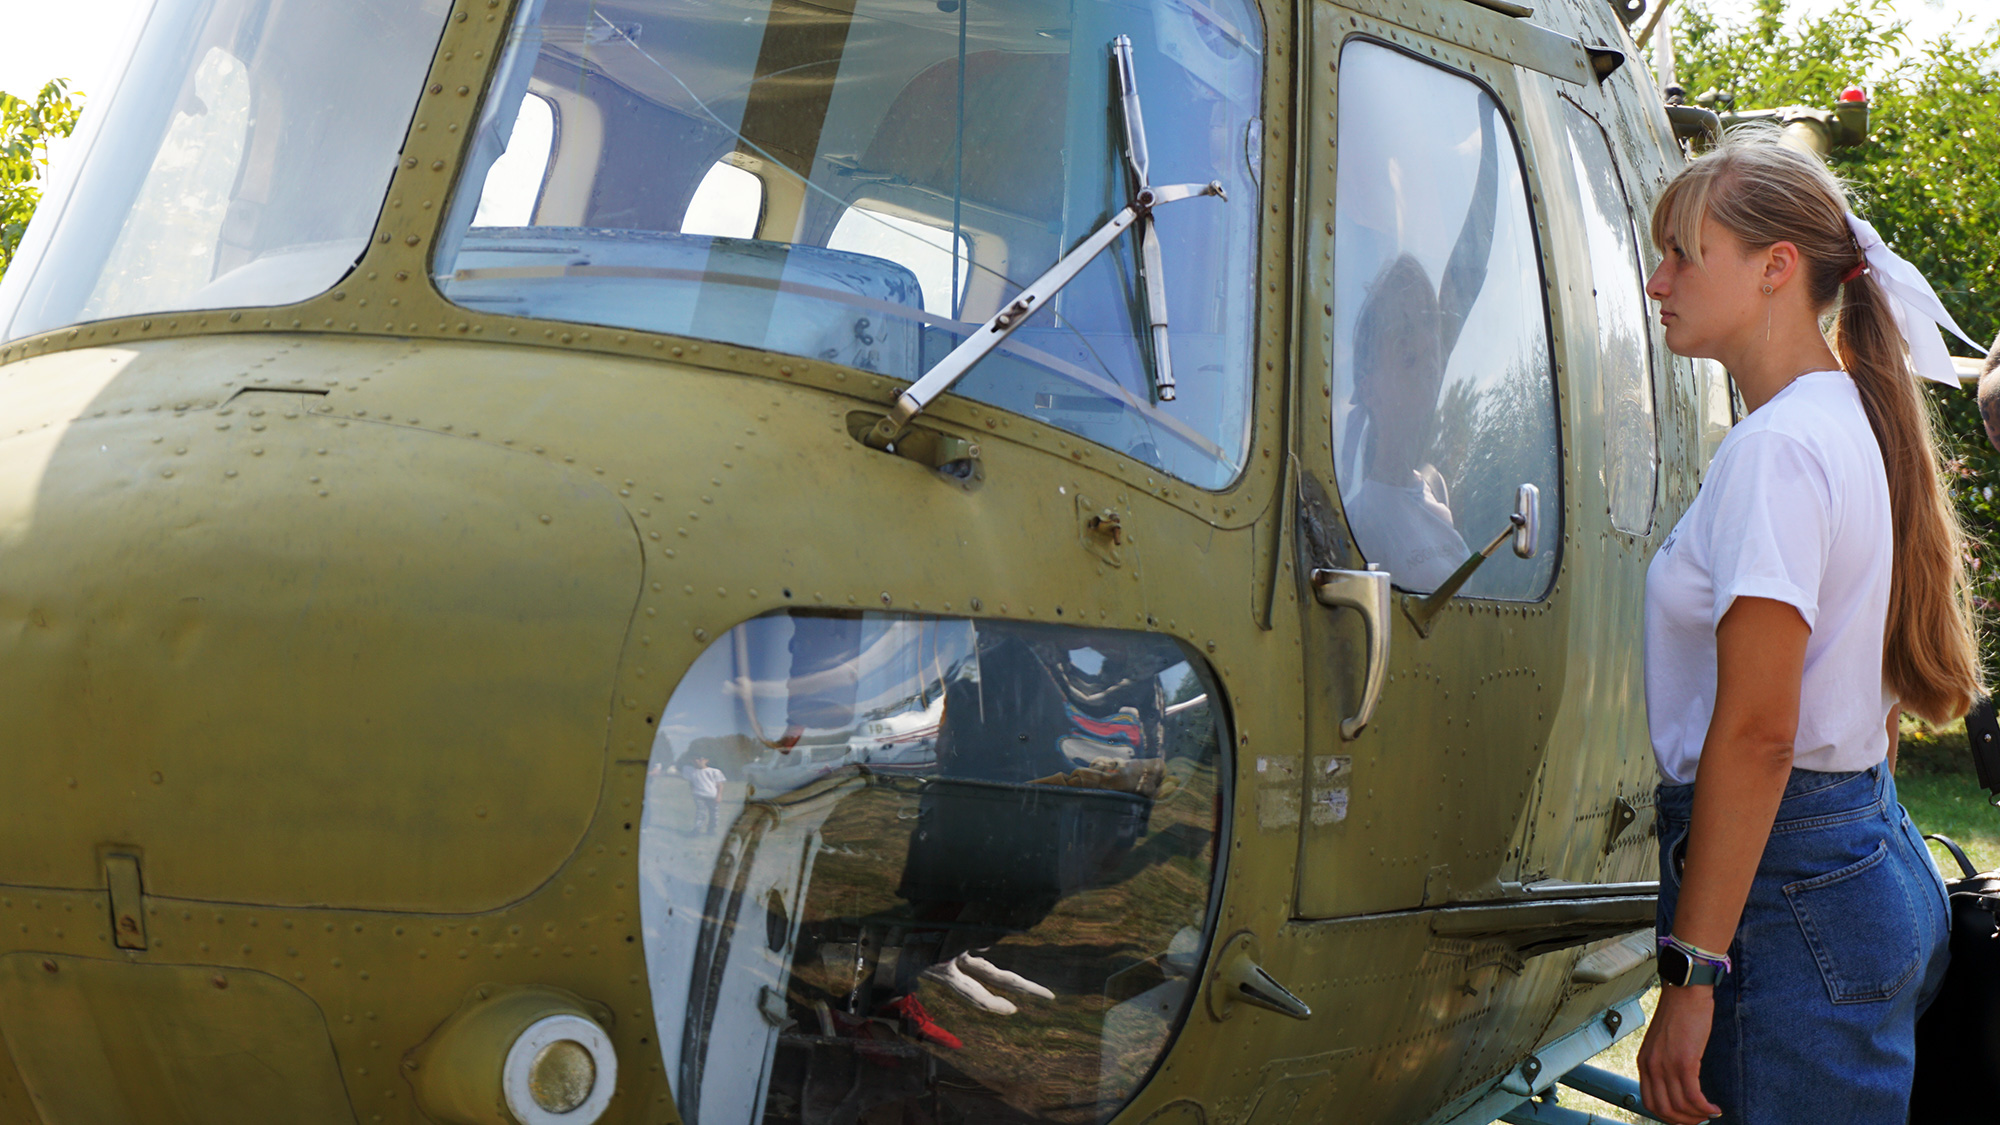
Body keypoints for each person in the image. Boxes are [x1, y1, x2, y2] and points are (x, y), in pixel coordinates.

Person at [1635, 128, 1984, 1124]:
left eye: (1683, 254)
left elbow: (1759, 732)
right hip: (1858, 853)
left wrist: (1692, 972)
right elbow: (1868, 706)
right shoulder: (1842, 422)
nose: (1657, 281)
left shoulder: (1776, 450)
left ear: (1774, 268)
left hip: (1785, 903)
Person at [682, 755, 726, 835]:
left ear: (706, 760)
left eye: (700, 759)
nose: (697, 761)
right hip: (699, 795)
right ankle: (697, 829)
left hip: (712, 796)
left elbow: (720, 785)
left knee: (714, 814)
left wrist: (719, 796)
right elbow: (691, 783)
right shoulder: (692, 771)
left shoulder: (714, 771)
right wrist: (693, 792)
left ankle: (711, 830)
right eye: (695, 759)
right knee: (700, 813)